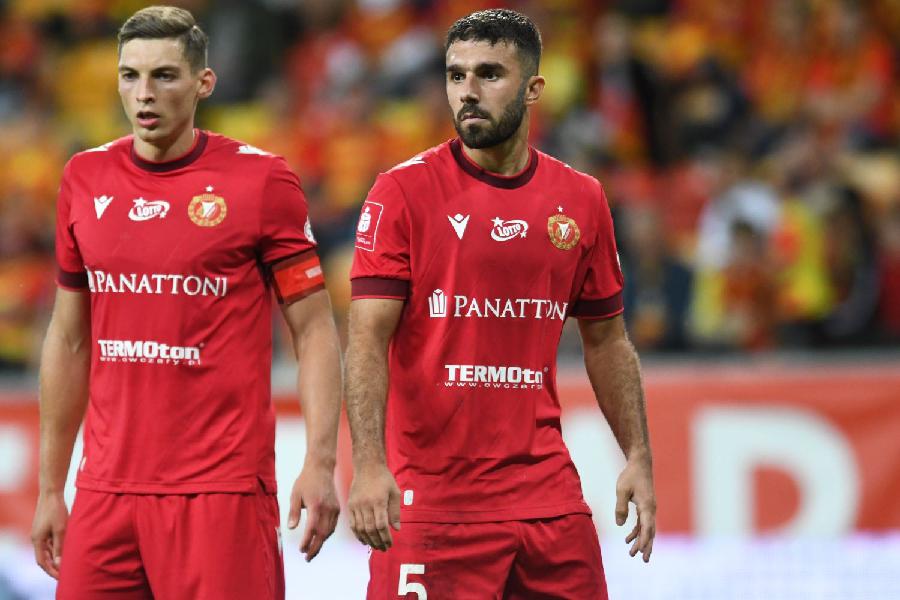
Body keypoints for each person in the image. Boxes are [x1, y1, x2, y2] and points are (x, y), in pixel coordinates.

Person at [30, 6, 342, 599]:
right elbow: (69, 339)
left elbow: (315, 330)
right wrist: (51, 487)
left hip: (219, 491)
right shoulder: (85, 178)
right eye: (130, 75)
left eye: (164, 76)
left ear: (204, 82)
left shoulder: (261, 182)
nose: (144, 93)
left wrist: (321, 462)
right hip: (105, 491)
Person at [345, 8, 656, 599]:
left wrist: (638, 456)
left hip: (548, 501)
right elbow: (366, 340)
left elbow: (607, 340)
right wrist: (368, 465)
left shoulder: (581, 199)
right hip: (434, 502)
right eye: (455, 75)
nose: (468, 91)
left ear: (533, 89)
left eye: (489, 74)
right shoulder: (402, 192)